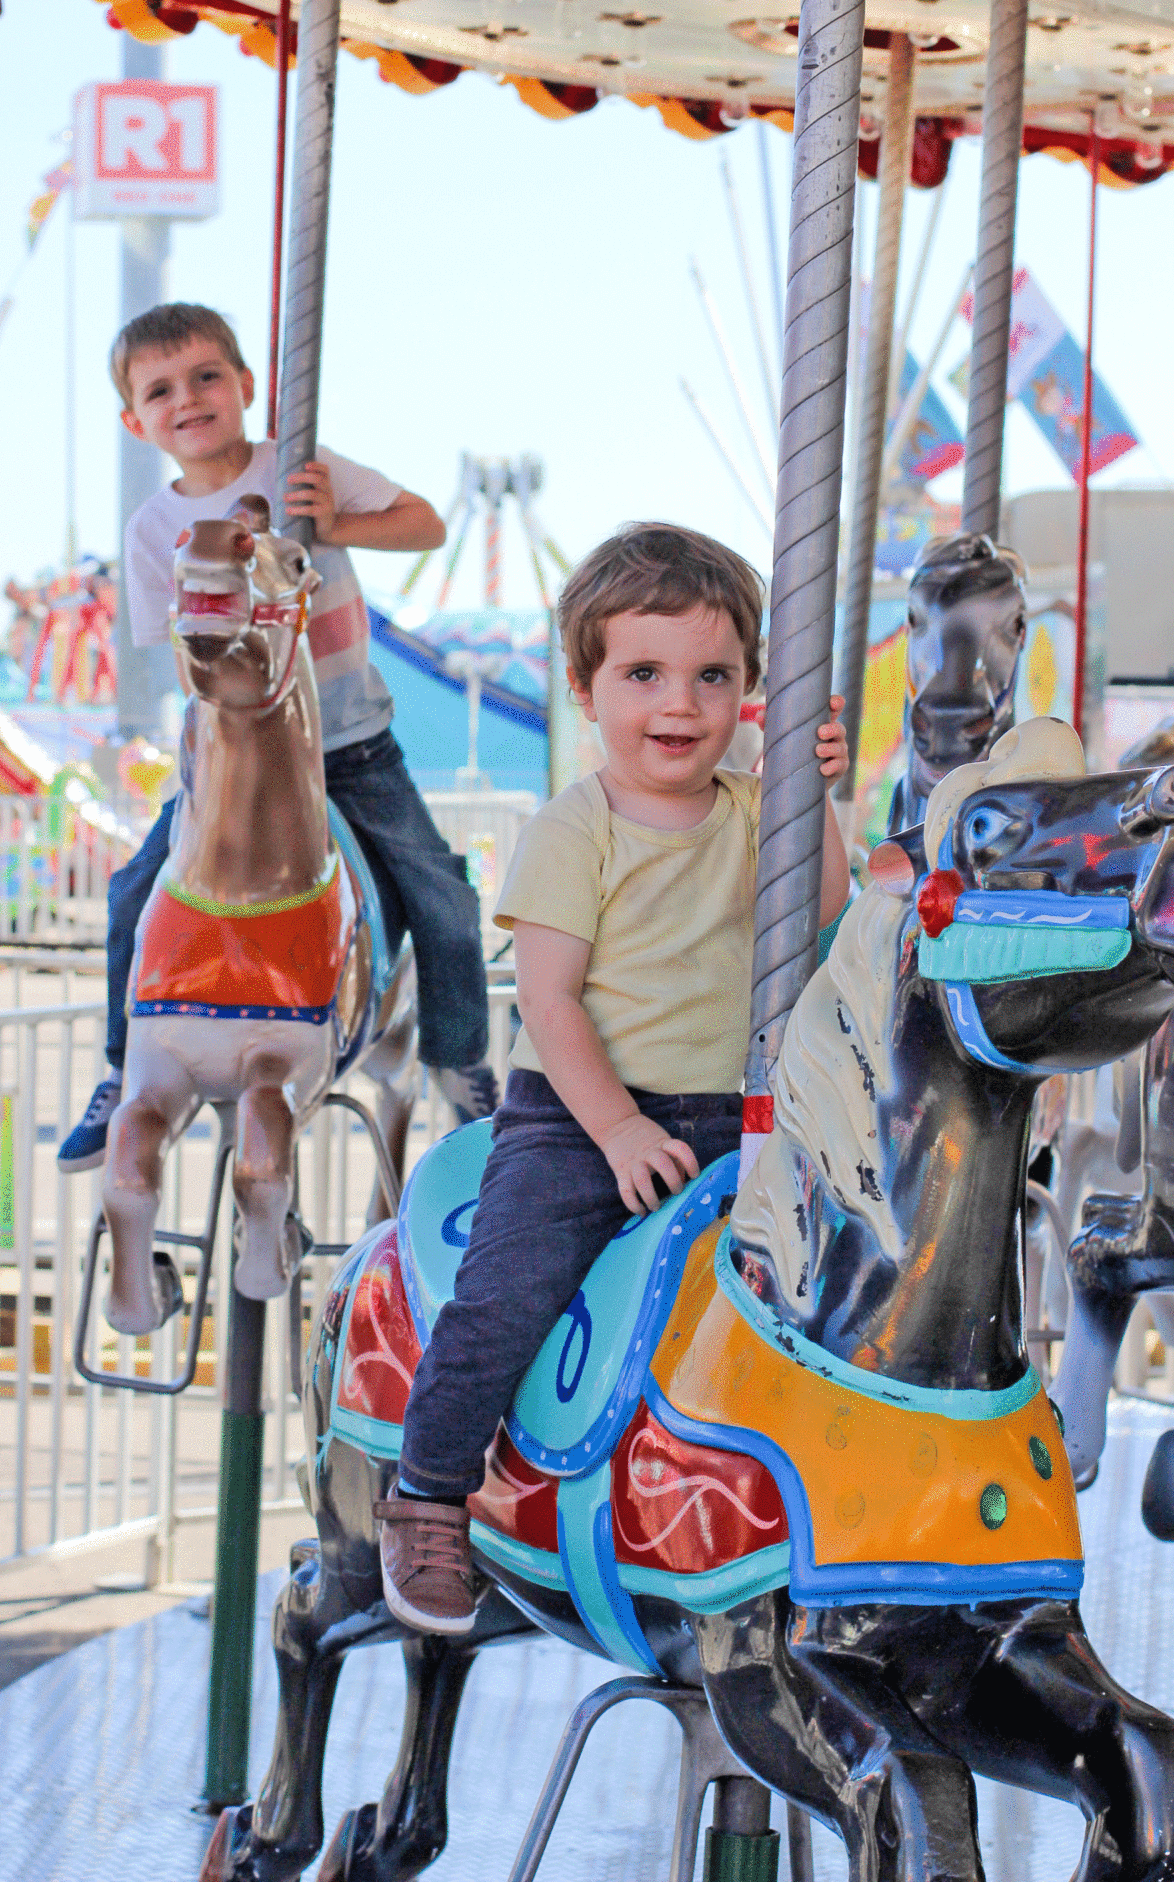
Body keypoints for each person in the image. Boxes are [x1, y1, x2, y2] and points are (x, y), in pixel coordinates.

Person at [375, 522, 849, 1634]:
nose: (678, 705)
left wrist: (808, 789)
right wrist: (621, 1129)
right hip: (579, 1120)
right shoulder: (572, 829)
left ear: (748, 691)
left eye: (712, 676)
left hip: (740, 1116)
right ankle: (430, 1492)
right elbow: (550, 1004)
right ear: (586, 688)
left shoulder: (748, 814)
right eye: (643, 674)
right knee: (508, 1295)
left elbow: (824, 907)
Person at [59, 301, 499, 1166]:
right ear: (133, 420)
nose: (188, 399)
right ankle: (121, 1066)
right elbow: (183, 658)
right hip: (233, 767)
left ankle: (459, 1056)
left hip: (348, 745)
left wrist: (333, 525)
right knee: (131, 897)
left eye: (206, 376)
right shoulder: (153, 531)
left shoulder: (301, 469)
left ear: (248, 384)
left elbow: (426, 525)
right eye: (161, 390)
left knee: (443, 892)